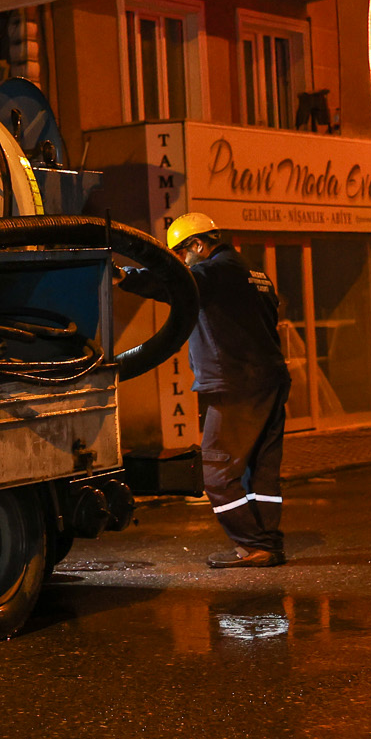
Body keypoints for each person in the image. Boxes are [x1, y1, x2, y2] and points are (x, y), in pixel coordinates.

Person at [119, 212, 290, 568]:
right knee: (260, 472)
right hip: (270, 381)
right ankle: (268, 543)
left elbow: (172, 284)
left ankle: (253, 546)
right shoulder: (255, 274)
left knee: (216, 471)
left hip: (235, 385)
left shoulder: (213, 272)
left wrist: (125, 277)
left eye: (180, 254)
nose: (180, 262)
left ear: (197, 245)